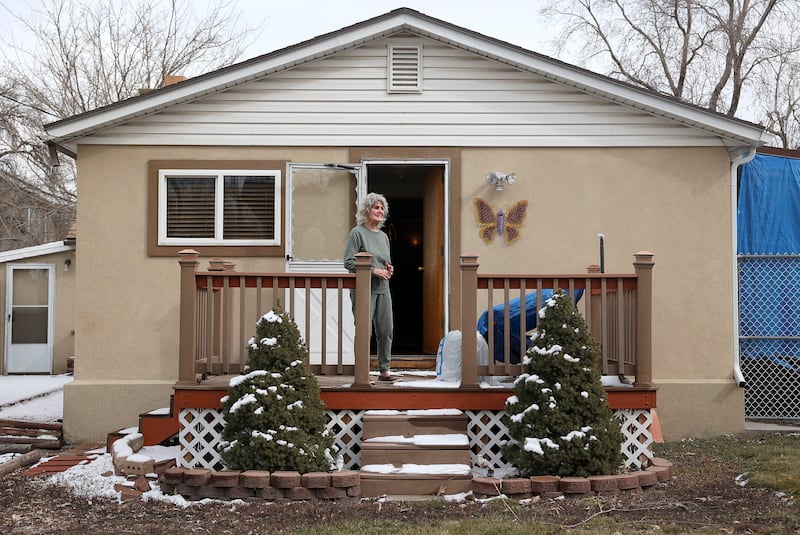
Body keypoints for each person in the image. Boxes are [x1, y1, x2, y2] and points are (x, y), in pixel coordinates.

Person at [344, 193, 397, 382]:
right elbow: (349, 262)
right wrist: (375, 271)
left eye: (382, 208)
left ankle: (384, 371)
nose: (380, 211)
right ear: (367, 210)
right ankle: (362, 373)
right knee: (364, 331)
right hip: (363, 290)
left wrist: (388, 269)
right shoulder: (357, 233)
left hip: (383, 288)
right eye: (376, 207)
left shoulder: (383, 236)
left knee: (386, 330)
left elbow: (384, 261)